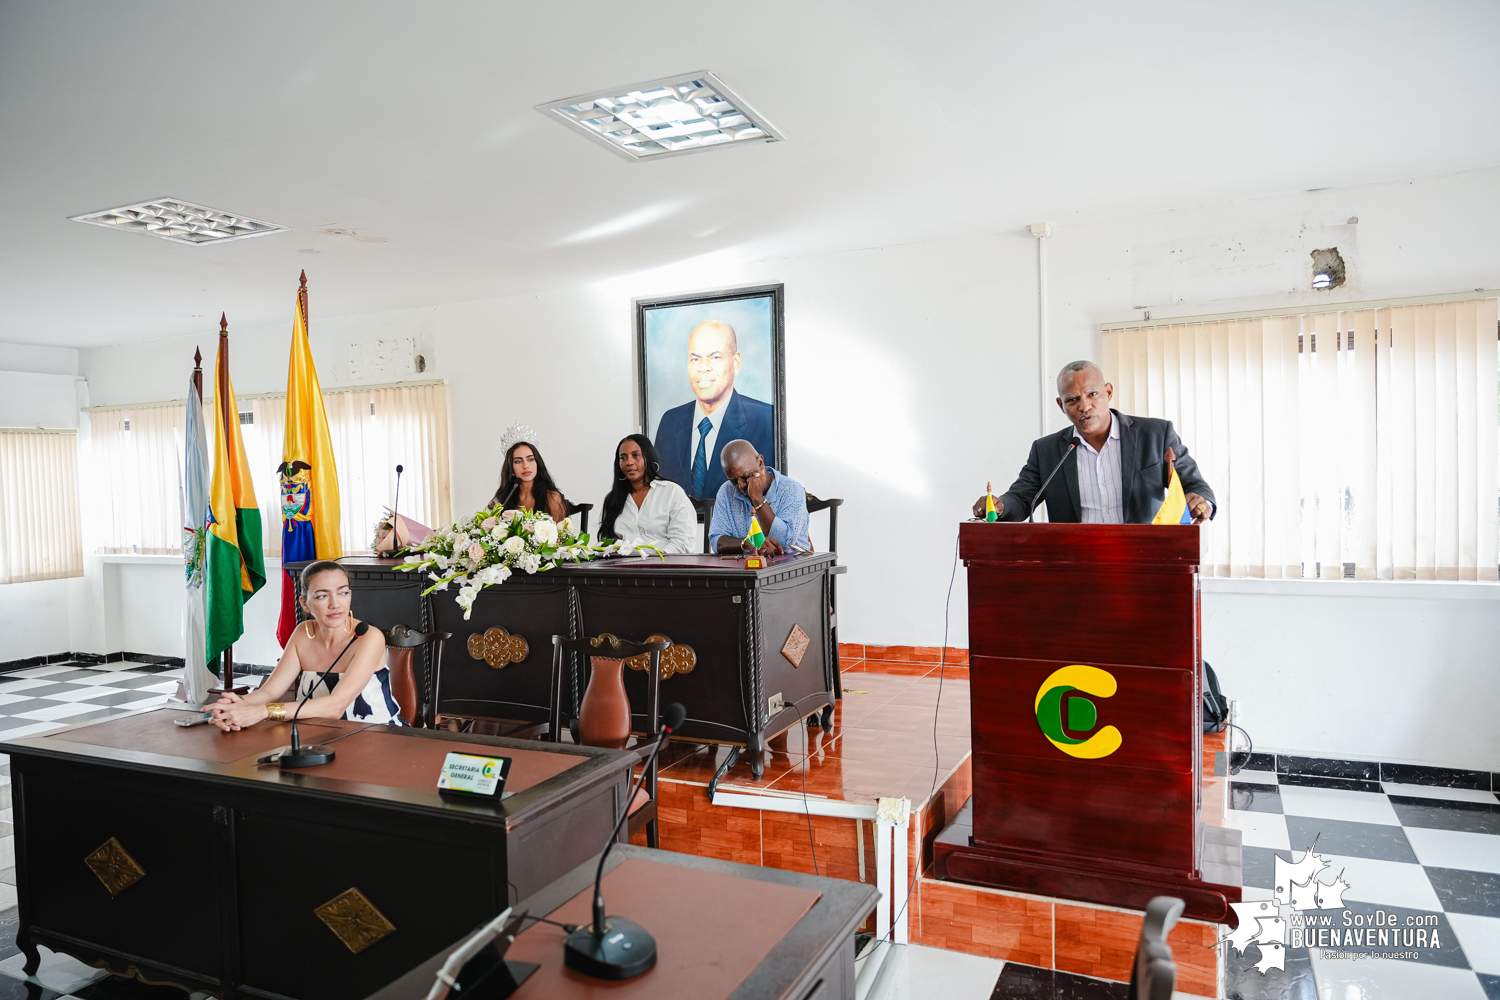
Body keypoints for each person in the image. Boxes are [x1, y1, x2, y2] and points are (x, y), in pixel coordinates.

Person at [973, 360, 1216, 524]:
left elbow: (1195, 485)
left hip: (1142, 561)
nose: (1084, 406)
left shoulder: (1155, 434)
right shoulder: (1046, 451)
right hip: (1077, 569)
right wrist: (1000, 505)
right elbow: (1022, 498)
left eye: (1092, 394)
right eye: (1072, 399)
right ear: (1061, 405)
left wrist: (1202, 503)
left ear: (1108, 392)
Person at [204, 560, 403, 730]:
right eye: (322, 596)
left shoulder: (369, 637)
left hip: (375, 735)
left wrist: (261, 712)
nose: (335, 604)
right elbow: (269, 692)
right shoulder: (302, 633)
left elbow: (336, 706)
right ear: (305, 603)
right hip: (316, 735)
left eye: (343, 593)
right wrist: (235, 706)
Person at [653, 319, 776, 500]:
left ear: (736, 362)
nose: (703, 368)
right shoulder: (670, 421)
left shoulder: (766, 420)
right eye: (695, 359)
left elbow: (770, 495)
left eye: (715, 357)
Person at [708, 438, 810, 555]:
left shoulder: (791, 489)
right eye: (734, 481)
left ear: (760, 463)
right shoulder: (726, 491)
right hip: (747, 568)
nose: (740, 486)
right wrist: (747, 543)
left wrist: (758, 499)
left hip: (793, 566)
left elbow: (783, 545)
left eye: (746, 477)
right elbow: (716, 541)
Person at [599, 434, 698, 553]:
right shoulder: (613, 499)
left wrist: (657, 561)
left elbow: (683, 542)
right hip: (623, 568)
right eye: (623, 457)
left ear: (649, 458)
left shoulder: (671, 492)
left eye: (636, 455)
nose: (629, 462)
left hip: (664, 566)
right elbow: (606, 542)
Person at [491, 439, 569, 522]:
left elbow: (560, 533)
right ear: (511, 468)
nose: (525, 466)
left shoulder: (553, 498)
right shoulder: (502, 498)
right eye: (518, 461)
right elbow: (485, 526)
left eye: (530, 459)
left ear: (537, 463)